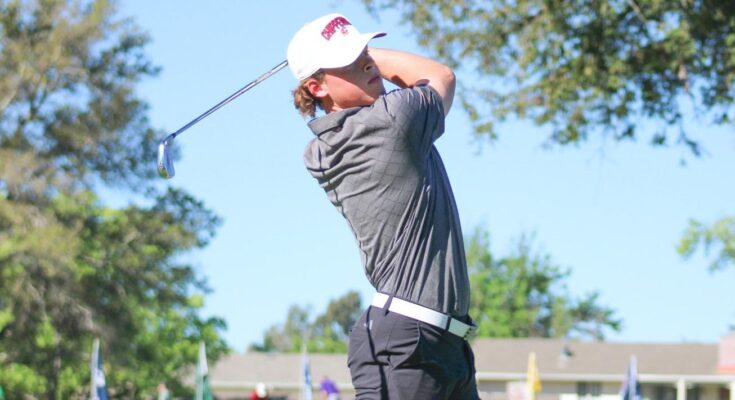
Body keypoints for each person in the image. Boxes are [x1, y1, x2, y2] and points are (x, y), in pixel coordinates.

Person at [287, 13, 479, 400]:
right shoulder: (394, 121)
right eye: (350, 60)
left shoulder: (320, 149)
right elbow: (440, 76)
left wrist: (352, 60)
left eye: (365, 52)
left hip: (438, 342)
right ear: (316, 86)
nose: (366, 63)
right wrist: (374, 55)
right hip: (409, 344)